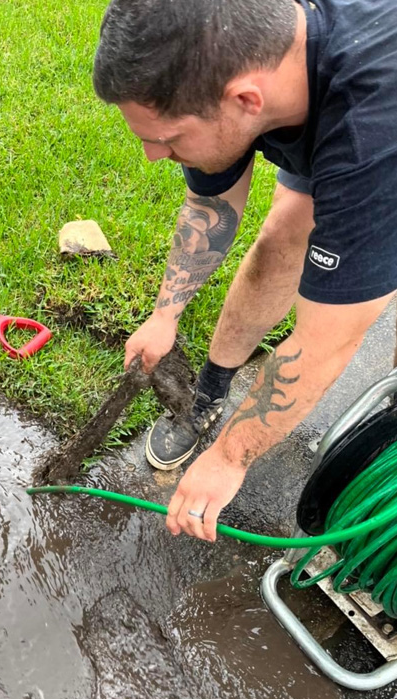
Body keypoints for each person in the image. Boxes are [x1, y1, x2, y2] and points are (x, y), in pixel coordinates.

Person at [93, 0, 397, 542]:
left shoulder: (367, 139)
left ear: (246, 100)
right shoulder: (232, 49)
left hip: (381, 152)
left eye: (165, 139)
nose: (150, 155)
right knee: (280, 239)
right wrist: (166, 315)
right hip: (333, 114)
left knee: (362, 306)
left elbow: (327, 340)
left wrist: (232, 457)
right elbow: (212, 210)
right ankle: (209, 392)